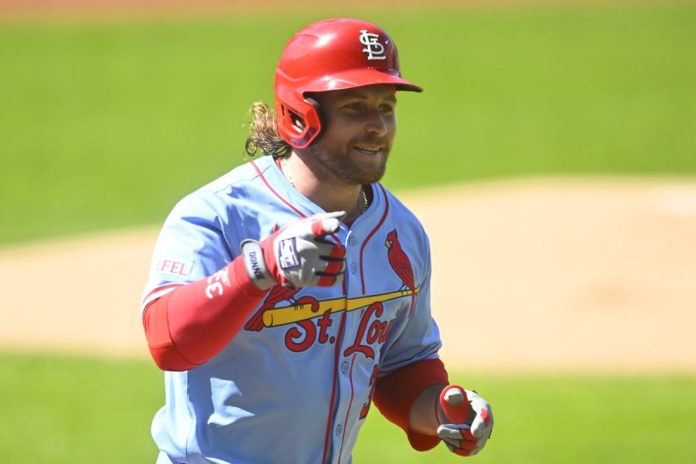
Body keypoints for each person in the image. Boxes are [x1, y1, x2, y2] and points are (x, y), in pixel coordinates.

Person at [141, 18, 493, 464]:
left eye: (386, 107)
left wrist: (442, 411)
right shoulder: (219, 214)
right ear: (299, 114)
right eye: (355, 108)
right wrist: (260, 269)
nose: (378, 126)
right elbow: (167, 339)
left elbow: (402, 364)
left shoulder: (401, 232)